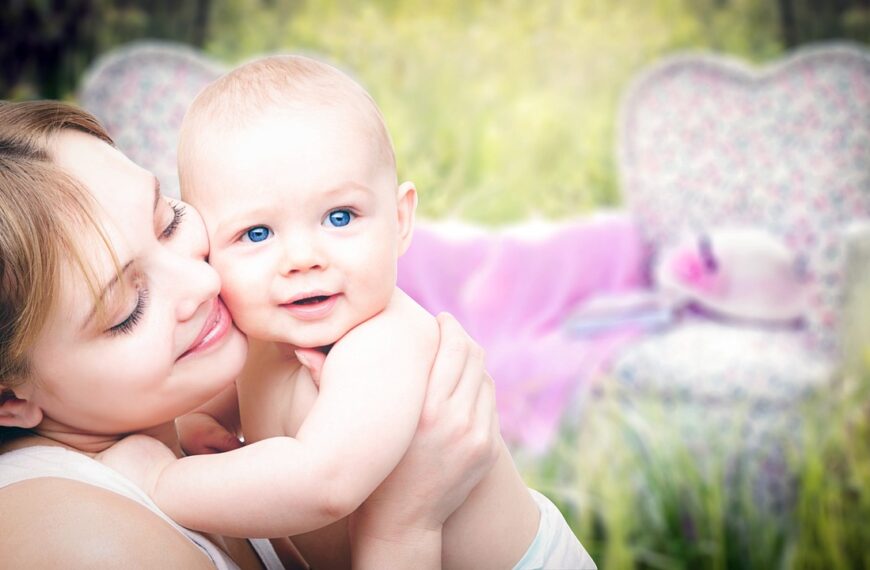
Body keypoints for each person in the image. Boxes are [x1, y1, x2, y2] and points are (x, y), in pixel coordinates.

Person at [131, 54, 596, 569]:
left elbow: (323, 483)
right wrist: (198, 421)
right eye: (256, 234)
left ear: (399, 220)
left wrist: (160, 480)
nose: (304, 258)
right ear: (208, 248)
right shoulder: (260, 335)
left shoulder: (384, 342)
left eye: (339, 216)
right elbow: (219, 399)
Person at [0, 100, 500, 569]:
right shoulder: (78, 539)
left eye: (168, 220)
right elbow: (325, 485)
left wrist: (191, 426)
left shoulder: (168, 419)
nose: (205, 280)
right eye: (127, 310)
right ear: (8, 397)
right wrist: (403, 525)